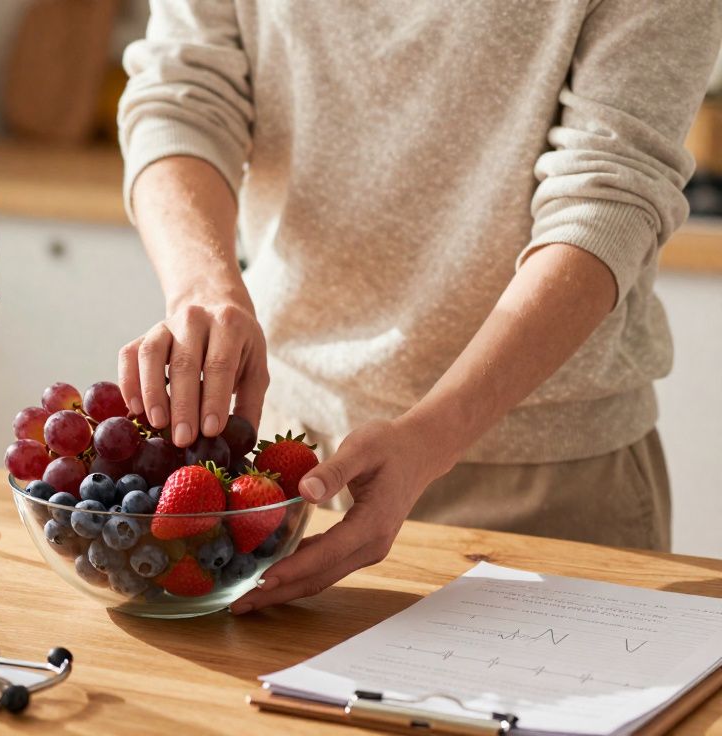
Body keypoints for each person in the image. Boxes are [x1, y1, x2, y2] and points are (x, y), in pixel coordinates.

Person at [115, 1, 722, 614]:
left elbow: (611, 195)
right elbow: (181, 96)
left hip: (544, 481)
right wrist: (204, 288)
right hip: (282, 465)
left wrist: (431, 438)